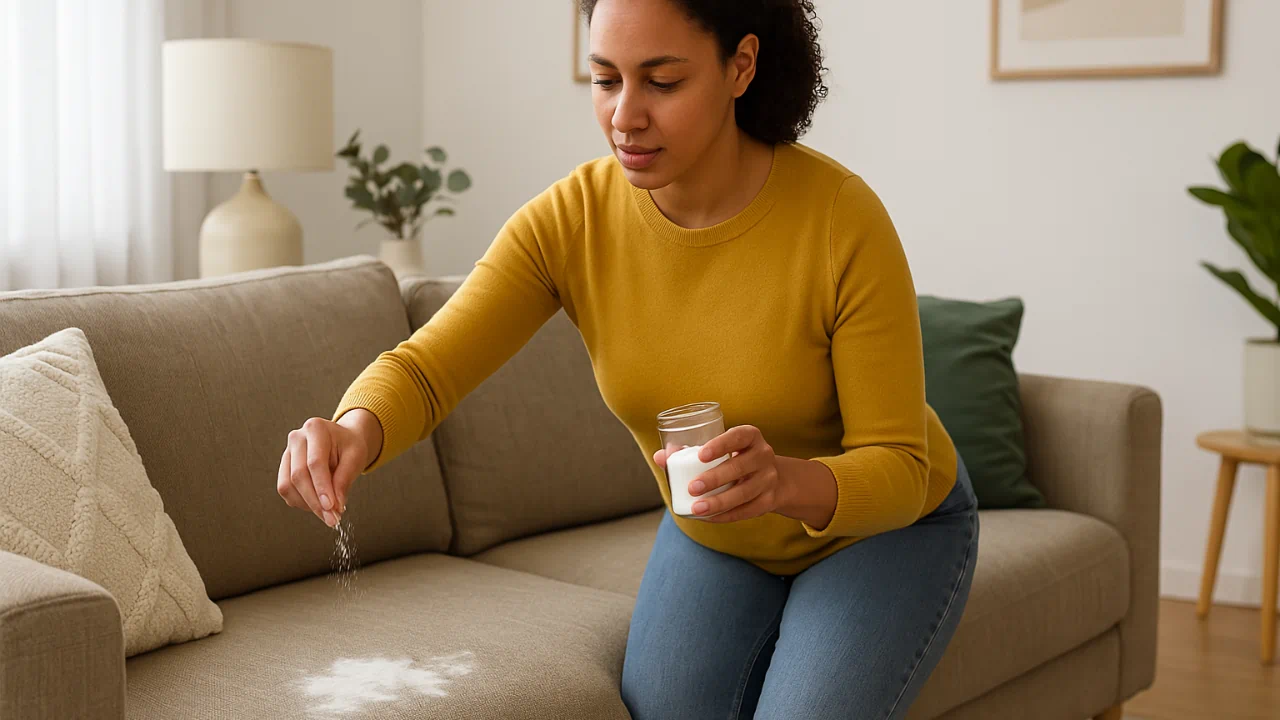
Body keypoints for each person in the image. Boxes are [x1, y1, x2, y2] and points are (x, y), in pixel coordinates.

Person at [277, 0, 979, 717]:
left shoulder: (840, 220)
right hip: (716, 533)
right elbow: (427, 368)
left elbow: (899, 465)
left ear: (741, 67)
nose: (625, 115)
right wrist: (353, 429)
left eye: (662, 83)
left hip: (886, 531)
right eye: (605, 79)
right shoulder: (572, 221)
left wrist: (781, 483)